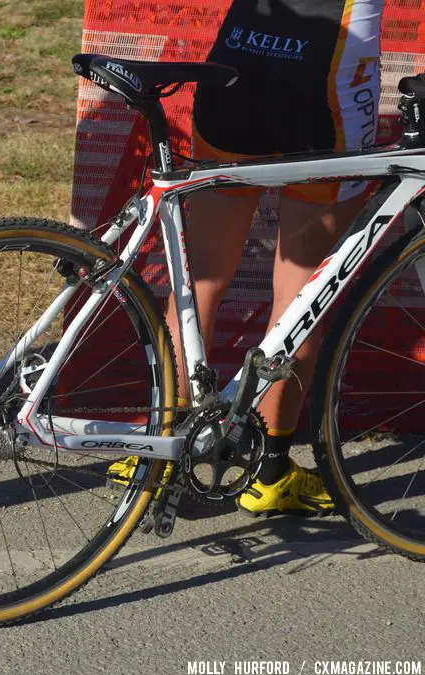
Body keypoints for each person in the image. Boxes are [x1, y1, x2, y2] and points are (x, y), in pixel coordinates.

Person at [112, 0, 383, 515]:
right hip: (327, 66)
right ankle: (272, 470)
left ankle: (160, 446)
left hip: (241, 55)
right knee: (304, 286)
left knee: (201, 275)